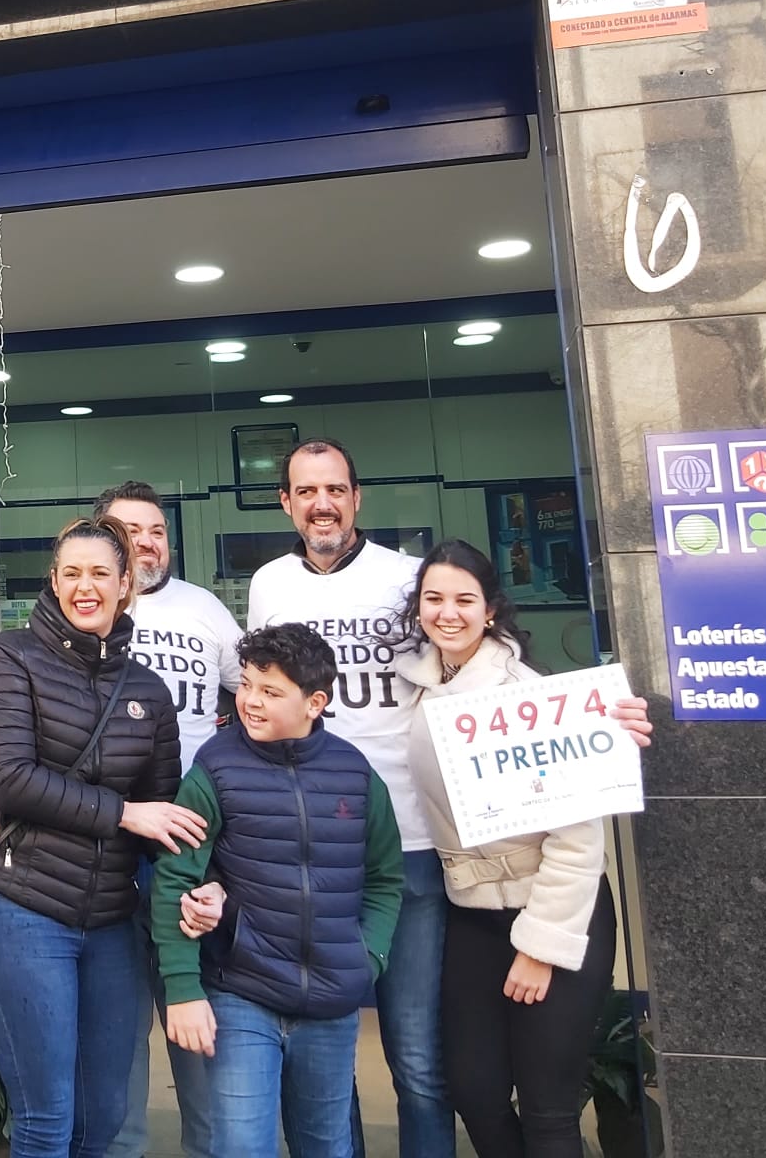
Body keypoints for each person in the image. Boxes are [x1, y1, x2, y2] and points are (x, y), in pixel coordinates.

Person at [247, 440, 652, 1158]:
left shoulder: (410, 579)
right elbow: (257, 694)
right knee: (334, 1056)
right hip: (317, 846)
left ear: (356, 495)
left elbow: (521, 702)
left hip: (420, 852)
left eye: (335, 488)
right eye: (306, 491)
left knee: (424, 1065)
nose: (322, 503)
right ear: (285, 502)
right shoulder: (269, 585)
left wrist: (603, 722)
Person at [0, 516, 197, 1158]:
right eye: (71, 574)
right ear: (54, 581)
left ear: (127, 585)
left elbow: (164, 810)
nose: (84, 587)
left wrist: (202, 887)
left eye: (100, 574)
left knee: (106, 1116)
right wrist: (125, 814)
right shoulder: (11, 655)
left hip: (114, 923)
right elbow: (9, 777)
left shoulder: (148, 689)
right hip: (20, 907)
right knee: (46, 1117)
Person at [150, 622, 405, 1158]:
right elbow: (177, 878)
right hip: (242, 993)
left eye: (270, 691)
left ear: (315, 702)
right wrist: (183, 989)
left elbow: (385, 878)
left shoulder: (355, 776)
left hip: (332, 1003)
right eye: (245, 685)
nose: (250, 701)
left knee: (326, 1146)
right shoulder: (213, 770)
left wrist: (368, 958)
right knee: (242, 1145)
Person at [398, 541, 615, 1158]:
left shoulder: (525, 694)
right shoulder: (415, 683)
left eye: (464, 599)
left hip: (551, 914)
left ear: (489, 609)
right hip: (471, 911)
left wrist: (539, 948)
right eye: (433, 599)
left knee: (547, 1109)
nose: (447, 612)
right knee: (475, 1089)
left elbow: (578, 840)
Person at [91, 482, 243, 1158]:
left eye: (156, 530)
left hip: (192, 841)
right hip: (107, 840)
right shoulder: (84, 614)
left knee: (195, 1011)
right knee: (118, 1022)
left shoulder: (204, 608)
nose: (148, 541)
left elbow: (259, 690)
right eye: (130, 530)